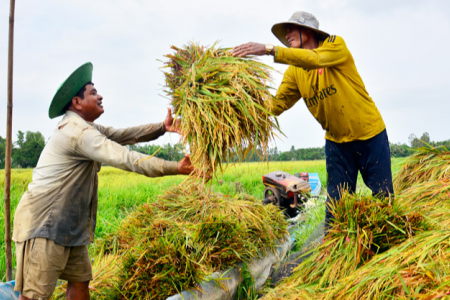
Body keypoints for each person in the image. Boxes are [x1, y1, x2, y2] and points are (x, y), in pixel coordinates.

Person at [12, 62, 194, 300]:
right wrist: (176, 167)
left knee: (80, 285)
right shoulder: (77, 133)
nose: (100, 96)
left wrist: (162, 127)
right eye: (93, 93)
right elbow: (124, 157)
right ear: (77, 103)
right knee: (35, 296)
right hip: (44, 226)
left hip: (71, 228)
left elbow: (124, 135)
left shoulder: (87, 127)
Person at [232, 11, 394, 231]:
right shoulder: (294, 72)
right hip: (337, 143)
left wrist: (269, 49)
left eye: (290, 29)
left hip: (370, 135)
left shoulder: (335, 46)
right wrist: (241, 98)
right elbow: (276, 106)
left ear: (307, 30)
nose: (287, 35)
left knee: (383, 201)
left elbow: (315, 59)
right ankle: (334, 255)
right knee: (336, 210)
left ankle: (386, 248)